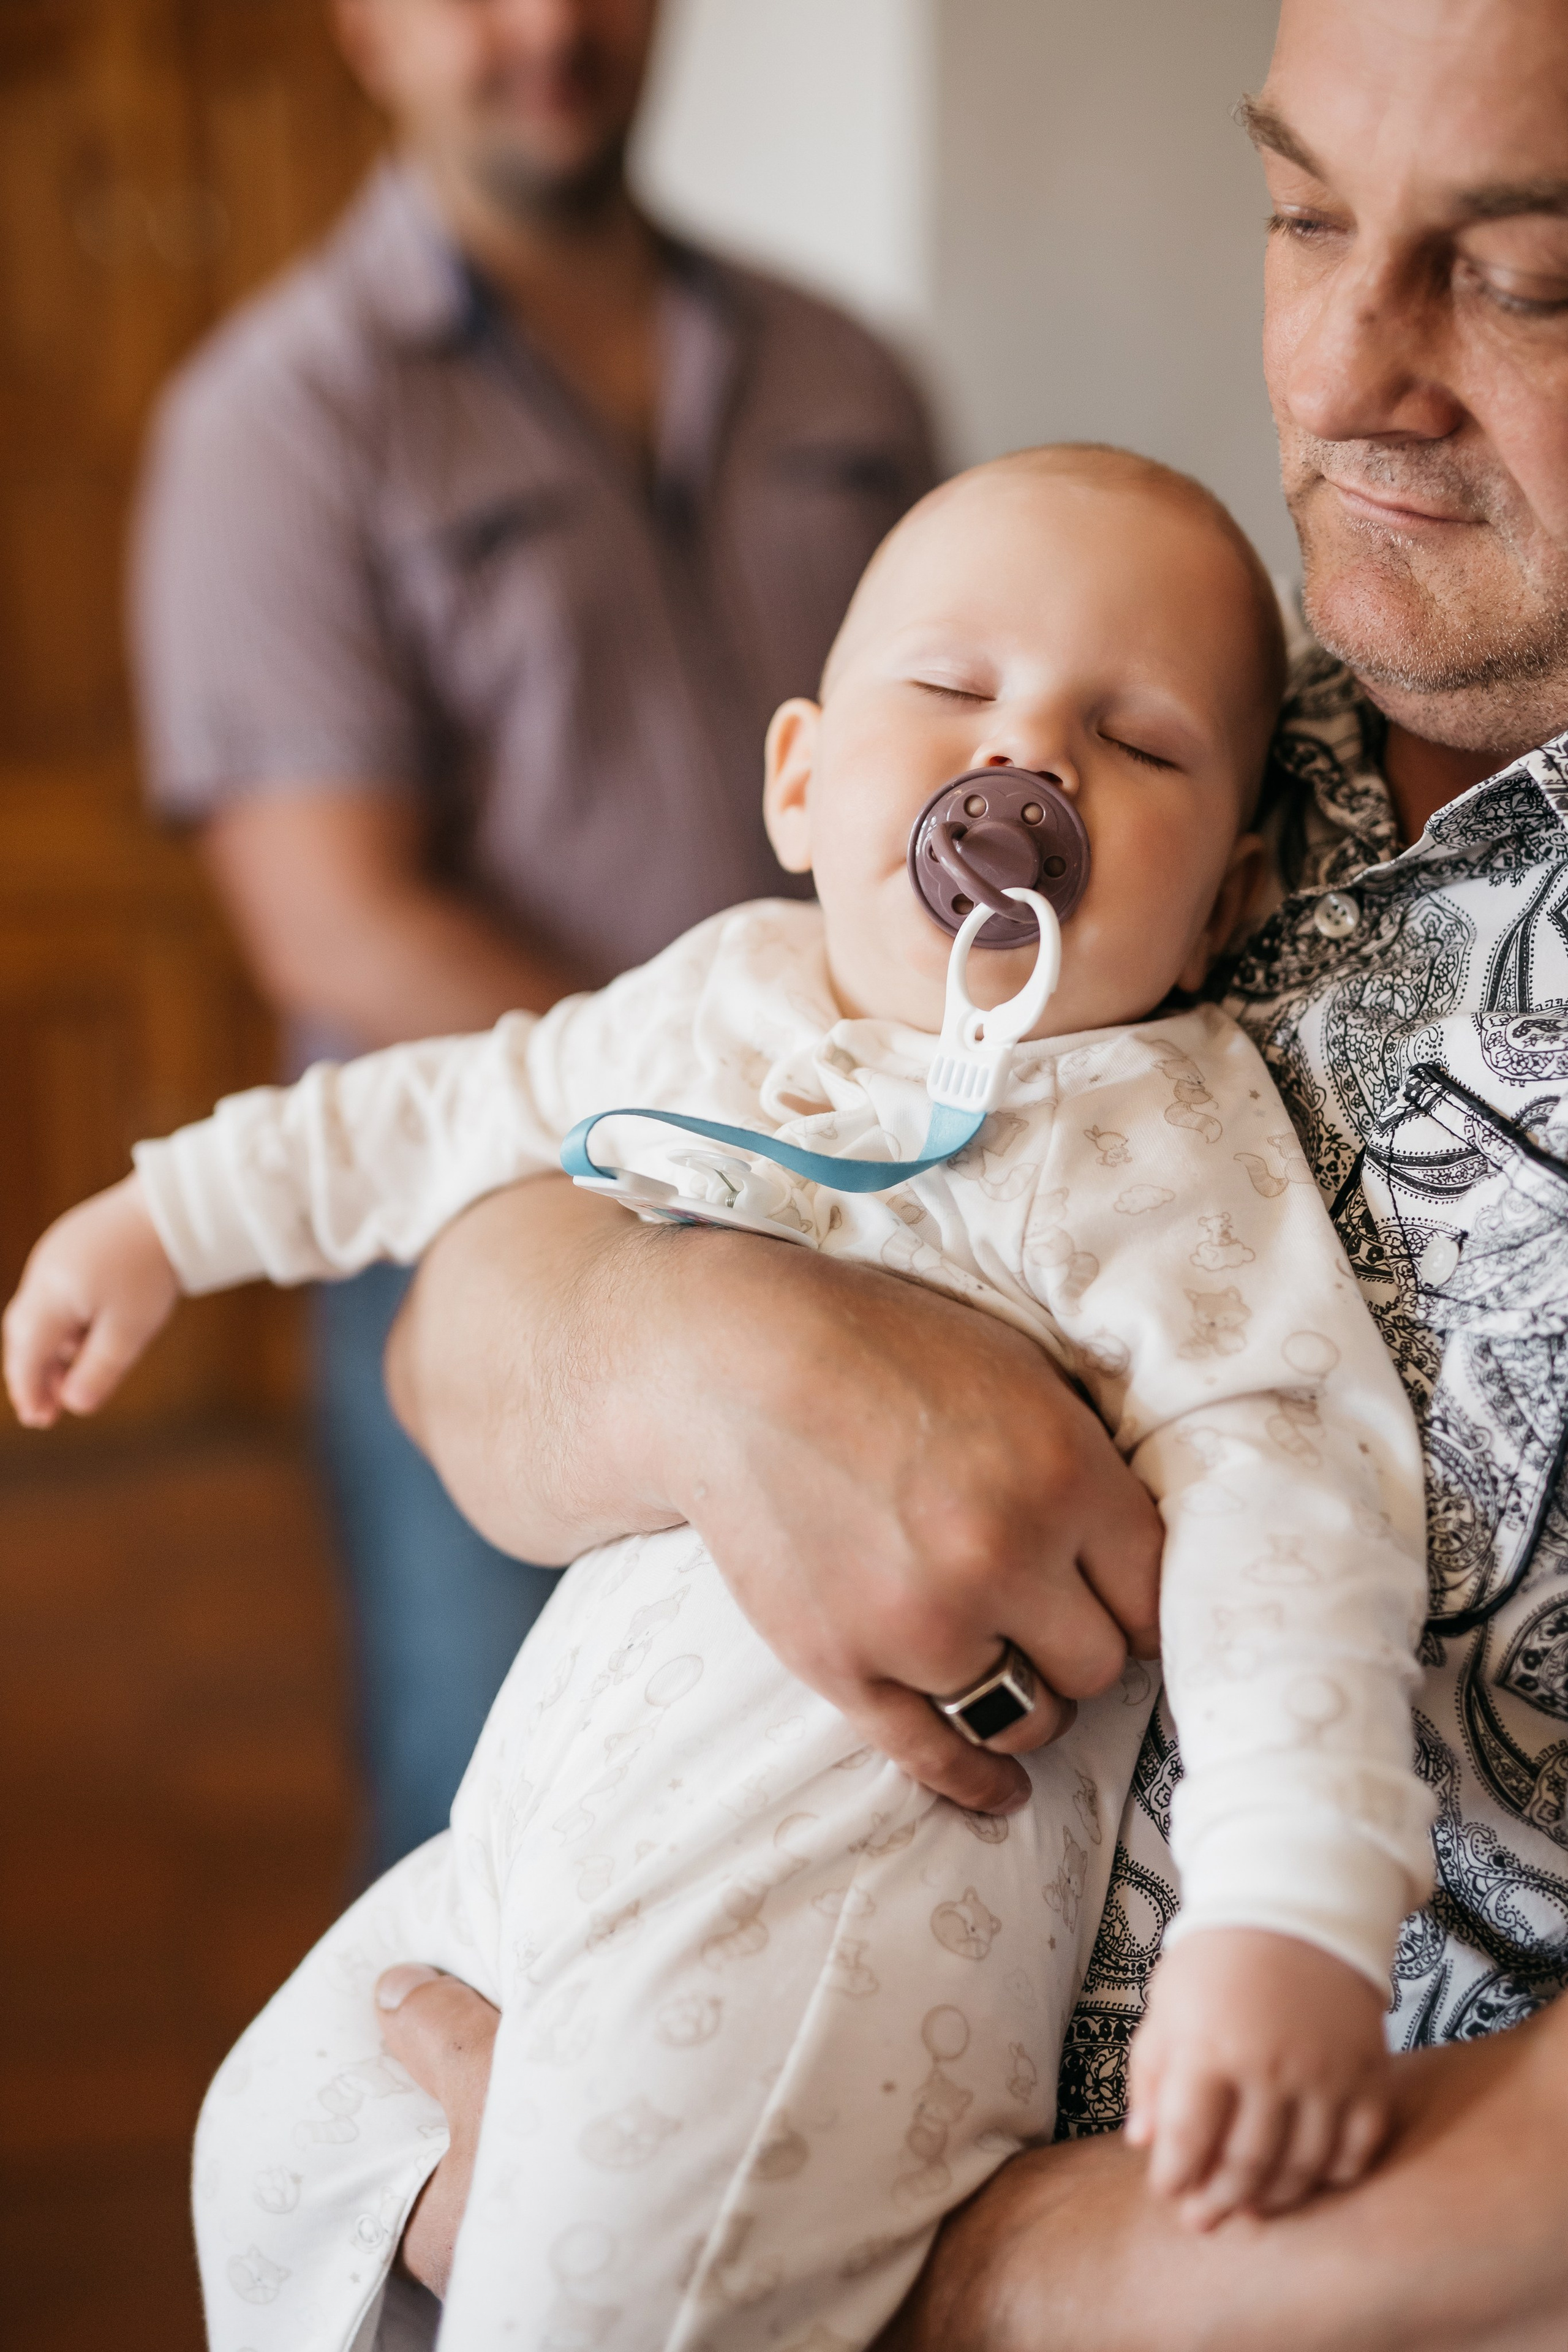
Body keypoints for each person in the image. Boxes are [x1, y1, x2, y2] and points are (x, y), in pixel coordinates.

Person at [304, 0, 1568, 2342]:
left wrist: (941, 2273)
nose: (1348, 371)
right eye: (1303, 215)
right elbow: (483, 1297)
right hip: (617, 2042)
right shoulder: (1193, 722)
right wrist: (707, 1351)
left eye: (1527, 276)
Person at [6, 447, 1434, 2352]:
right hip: (534, 1833)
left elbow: (1297, 1525)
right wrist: (168, 1217)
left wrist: (1293, 1917)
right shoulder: (724, 1002)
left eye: (1141, 743)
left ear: (1227, 894)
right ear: (799, 780)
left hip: (827, 1939)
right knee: (271, 2138)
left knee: (591, 2310)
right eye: (951, 689)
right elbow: (449, 1109)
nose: (1031, 758)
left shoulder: (1177, 1151)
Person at [130, 0, 935, 1871]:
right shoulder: (275, 422)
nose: (550, 30)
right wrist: (736, 1097)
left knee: (846, 1814)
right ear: (359, 26)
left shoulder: (846, 373)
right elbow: (331, 911)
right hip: (499, 1227)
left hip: (883, 1196)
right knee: (497, 1826)